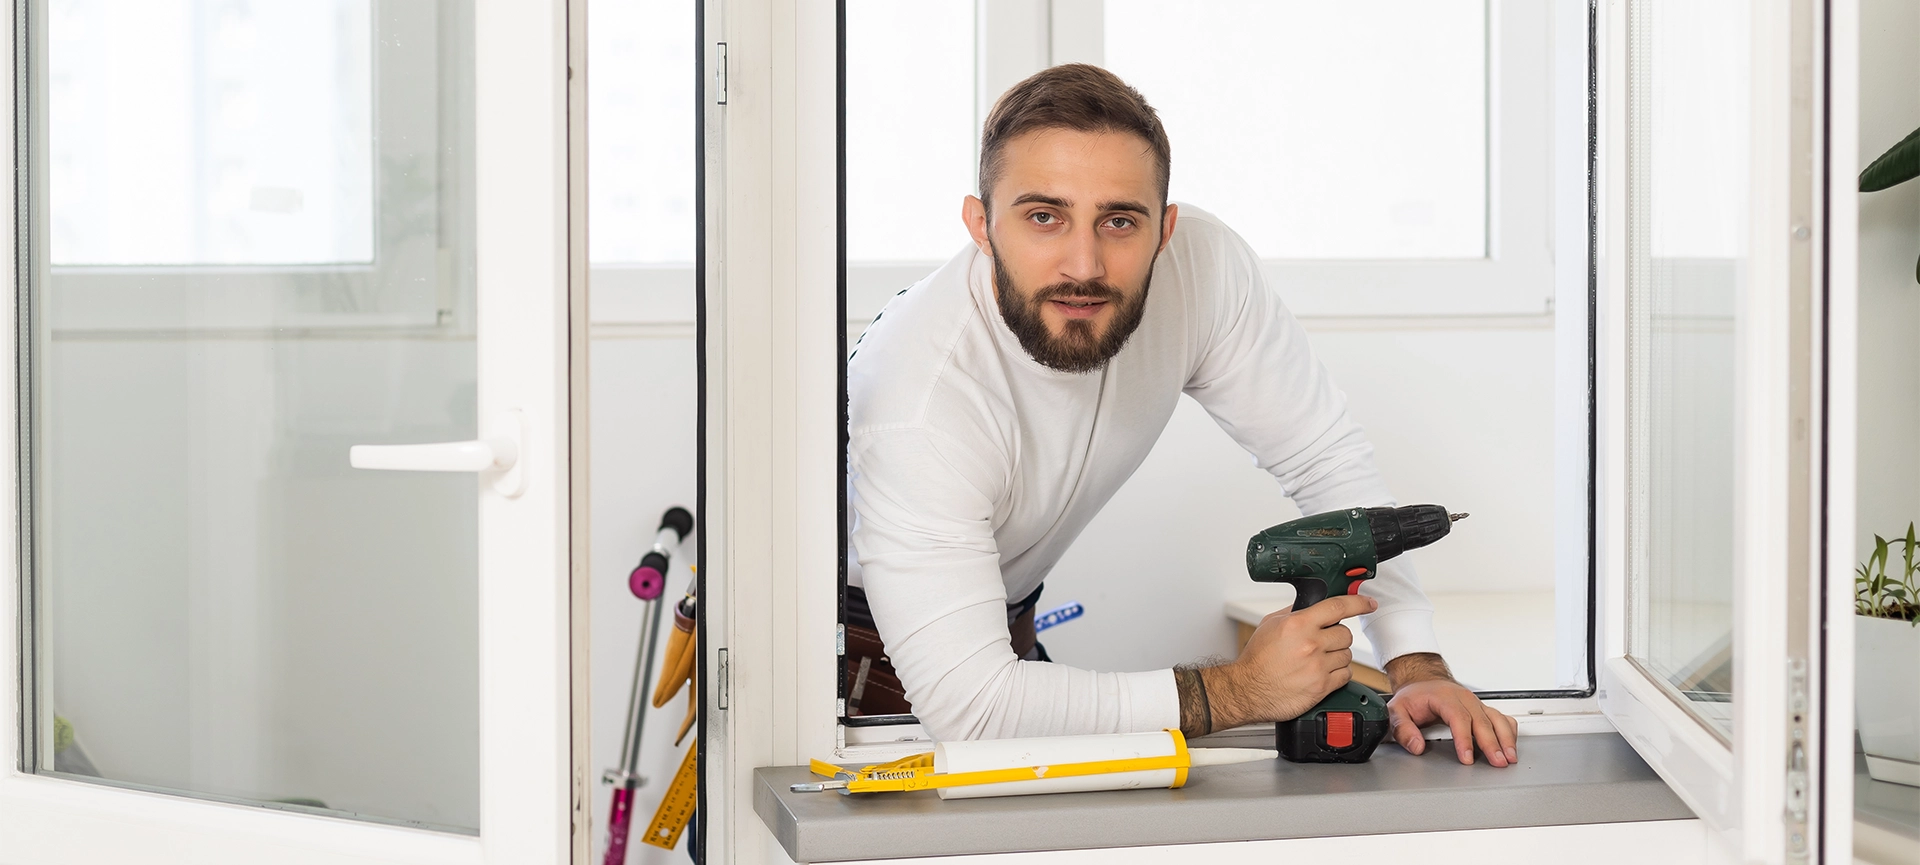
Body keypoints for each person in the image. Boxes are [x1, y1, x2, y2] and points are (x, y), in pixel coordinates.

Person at [844, 64, 1519, 767]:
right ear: (981, 225)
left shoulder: (1202, 271)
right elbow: (976, 707)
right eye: (1044, 216)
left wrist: (1416, 662)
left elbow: (1323, 461)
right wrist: (1240, 691)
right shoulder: (921, 394)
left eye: (1119, 221)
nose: (1084, 264)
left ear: (1164, 229)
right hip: (857, 660)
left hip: (1002, 632)